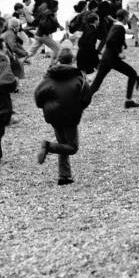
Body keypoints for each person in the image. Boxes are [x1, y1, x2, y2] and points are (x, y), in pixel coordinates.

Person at [35, 47, 91, 186]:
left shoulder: (49, 76)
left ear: (59, 59)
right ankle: (47, 146)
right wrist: (78, 108)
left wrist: (46, 106)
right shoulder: (79, 77)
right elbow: (86, 97)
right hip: (70, 115)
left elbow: (37, 95)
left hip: (52, 114)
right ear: (72, 60)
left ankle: (64, 176)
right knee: (72, 147)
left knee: (62, 143)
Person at [89, 9, 139, 108]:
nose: (129, 18)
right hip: (112, 59)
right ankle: (128, 101)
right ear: (125, 17)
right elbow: (109, 41)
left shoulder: (115, 25)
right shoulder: (119, 27)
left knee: (97, 83)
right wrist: (119, 53)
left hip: (106, 57)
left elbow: (115, 39)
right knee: (132, 74)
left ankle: (82, 100)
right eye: (128, 16)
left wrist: (124, 45)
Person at [26, 0, 63, 64]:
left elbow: (37, 21)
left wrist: (59, 26)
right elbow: (47, 23)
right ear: (54, 7)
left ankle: (21, 59)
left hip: (38, 35)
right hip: (44, 36)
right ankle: (53, 64)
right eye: (57, 6)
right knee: (57, 49)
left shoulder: (45, 12)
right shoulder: (50, 14)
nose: (58, 8)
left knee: (32, 51)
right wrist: (53, 29)